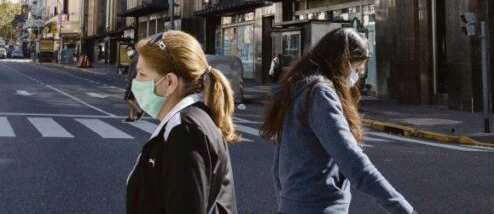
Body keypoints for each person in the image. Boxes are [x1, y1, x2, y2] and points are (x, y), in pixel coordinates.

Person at [260, 28, 414, 214]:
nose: (356, 76)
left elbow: (278, 166)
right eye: (356, 68)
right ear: (342, 61)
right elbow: (353, 162)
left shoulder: (298, 88)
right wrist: (403, 209)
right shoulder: (320, 95)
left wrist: (288, 203)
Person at [126, 30, 238, 214]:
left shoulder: (184, 130)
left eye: (141, 74)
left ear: (170, 82)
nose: (135, 81)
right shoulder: (189, 121)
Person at [123, 46, 142, 123]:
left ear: (134, 50)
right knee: (131, 99)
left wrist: (129, 83)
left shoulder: (135, 58)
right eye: (127, 50)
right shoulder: (135, 57)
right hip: (135, 81)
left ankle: (139, 111)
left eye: (130, 49)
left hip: (133, 82)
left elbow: (134, 72)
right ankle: (131, 117)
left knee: (127, 98)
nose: (128, 51)